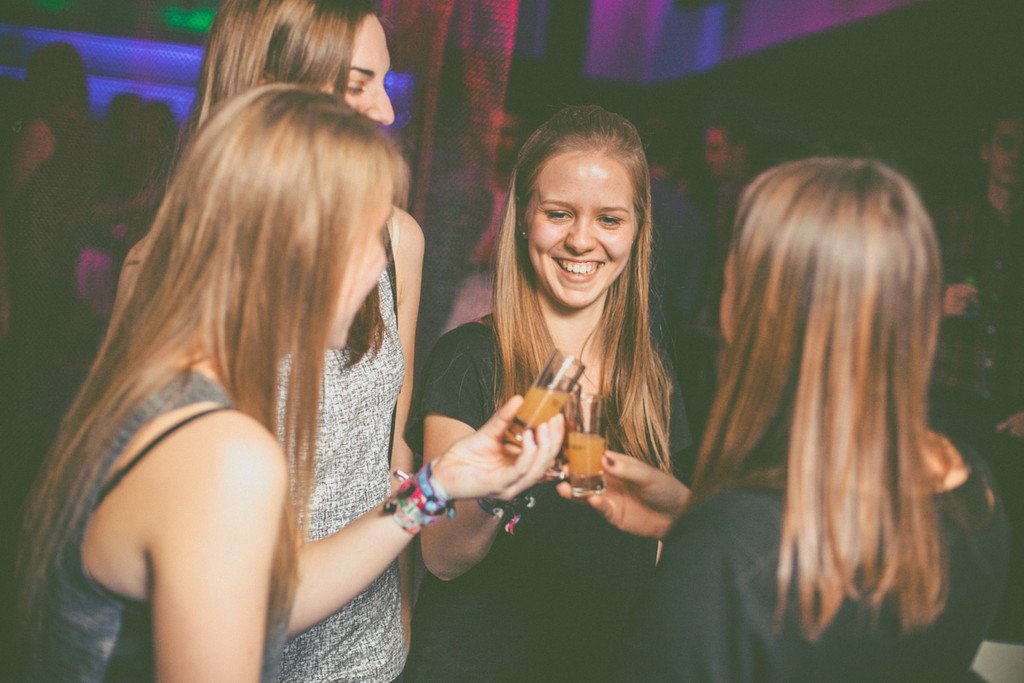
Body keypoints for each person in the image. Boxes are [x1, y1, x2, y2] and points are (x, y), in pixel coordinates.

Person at [17, 84, 563, 682]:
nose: (381, 261)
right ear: (298, 247)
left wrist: (438, 485)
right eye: (368, 232)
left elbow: (259, 604)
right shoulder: (225, 452)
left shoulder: (171, 387)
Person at [563, 157, 1009, 680]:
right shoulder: (974, 490)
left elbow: (764, 573)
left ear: (759, 314)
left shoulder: (731, 554)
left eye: (729, 279)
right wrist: (693, 519)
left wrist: (709, 541)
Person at [114, 2, 427, 679]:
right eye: (357, 83)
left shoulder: (395, 240)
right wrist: (437, 494)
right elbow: (234, 593)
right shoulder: (162, 277)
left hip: (369, 654)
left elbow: (388, 449)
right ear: (273, 90)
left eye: (386, 84)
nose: (384, 112)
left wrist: (400, 607)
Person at [405, 104, 692, 682]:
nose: (581, 241)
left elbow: (659, 571)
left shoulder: (649, 377)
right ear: (522, 219)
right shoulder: (470, 356)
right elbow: (441, 558)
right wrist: (496, 486)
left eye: (609, 219)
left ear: (637, 230)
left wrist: (683, 516)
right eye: (558, 214)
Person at [930, 110, 1024, 642]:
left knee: (1006, 548)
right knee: (942, 538)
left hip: (1011, 414)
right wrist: (937, 303)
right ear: (986, 150)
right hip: (950, 404)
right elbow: (897, 308)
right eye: (1007, 143)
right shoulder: (950, 223)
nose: (1016, 156)